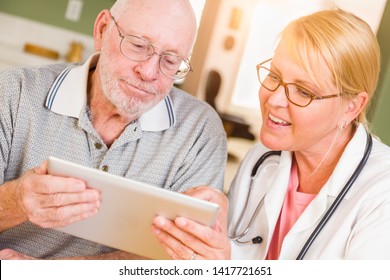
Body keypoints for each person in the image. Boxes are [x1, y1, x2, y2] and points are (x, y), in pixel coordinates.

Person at [152, 8, 390, 260]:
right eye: (274, 76)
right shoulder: (260, 159)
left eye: (304, 92)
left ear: (352, 107)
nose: (274, 99)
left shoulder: (381, 192)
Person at [0, 0, 227, 260]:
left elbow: (186, 260)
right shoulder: (13, 93)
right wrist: (15, 200)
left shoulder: (199, 131)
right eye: (138, 45)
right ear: (102, 29)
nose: (149, 72)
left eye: (171, 60)